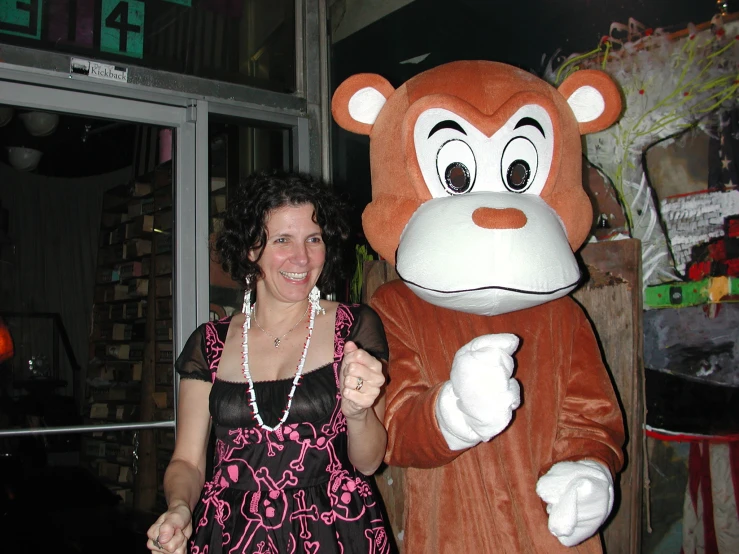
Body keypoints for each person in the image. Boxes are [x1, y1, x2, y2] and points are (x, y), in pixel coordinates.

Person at [147, 170, 393, 554]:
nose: (302, 257)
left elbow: (368, 463)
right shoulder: (210, 343)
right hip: (232, 535)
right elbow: (189, 463)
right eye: (283, 240)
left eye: (314, 239)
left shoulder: (352, 328)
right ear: (250, 248)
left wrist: (358, 414)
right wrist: (180, 508)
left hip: (336, 531)